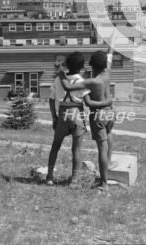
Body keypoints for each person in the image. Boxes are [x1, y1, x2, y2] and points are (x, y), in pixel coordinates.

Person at [60, 50, 114, 191]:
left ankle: (104, 183)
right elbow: (109, 57)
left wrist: (61, 73)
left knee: (102, 147)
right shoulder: (107, 73)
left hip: (99, 115)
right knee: (108, 138)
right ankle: (107, 170)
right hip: (111, 113)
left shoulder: (92, 81)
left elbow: (68, 87)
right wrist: (109, 101)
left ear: (93, 66)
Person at [45, 51, 90, 186]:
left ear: (67, 65)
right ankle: (74, 180)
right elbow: (87, 100)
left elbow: (52, 100)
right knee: (76, 149)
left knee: (55, 146)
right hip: (76, 115)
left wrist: (54, 118)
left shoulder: (59, 79)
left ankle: (49, 177)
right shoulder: (82, 81)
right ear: (82, 66)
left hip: (62, 116)